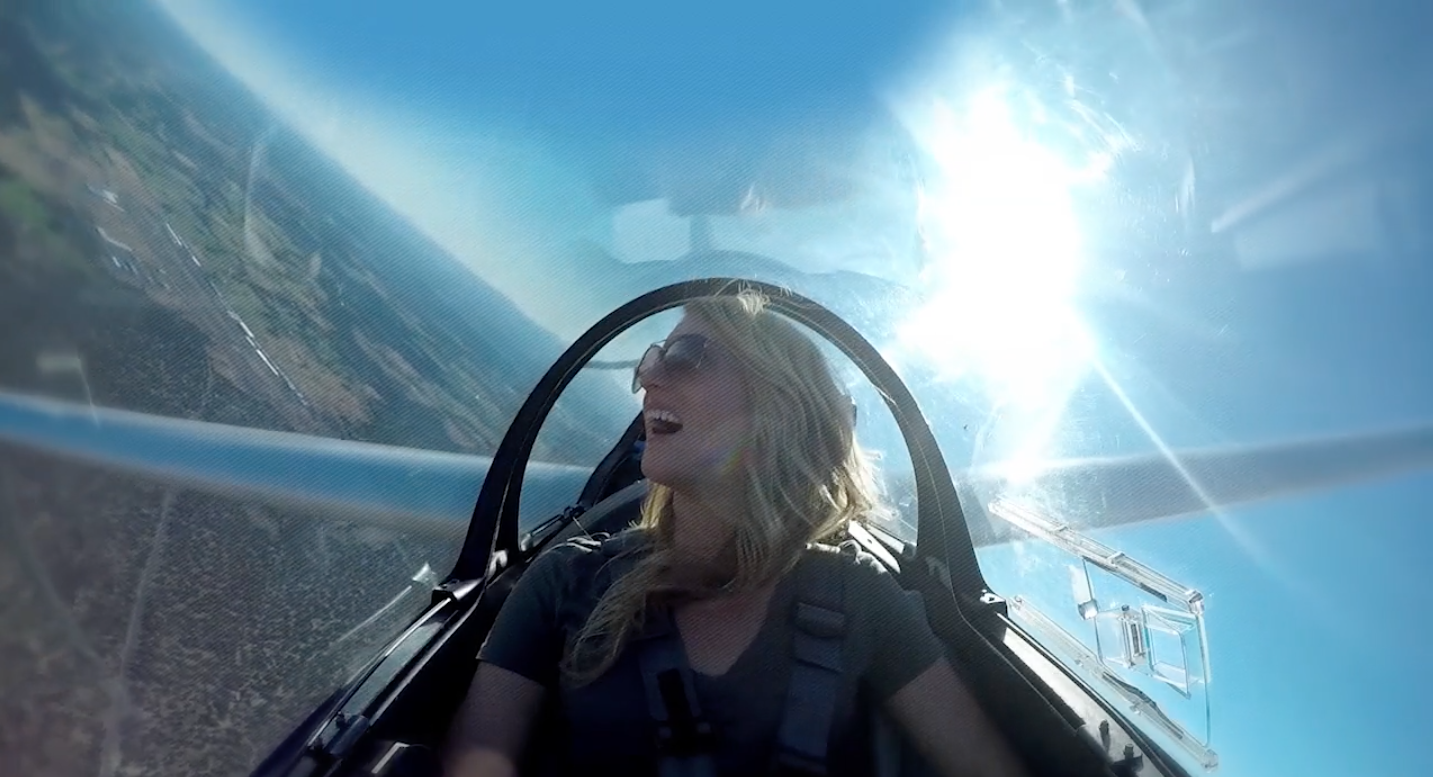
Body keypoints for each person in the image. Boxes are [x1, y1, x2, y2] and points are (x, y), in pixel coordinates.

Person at [444, 289, 1029, 777]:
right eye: (651, 359)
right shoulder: (567, 580)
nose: (647, 379)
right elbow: (478, 763)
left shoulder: (860, 596)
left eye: (686, 356)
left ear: (779, 406)